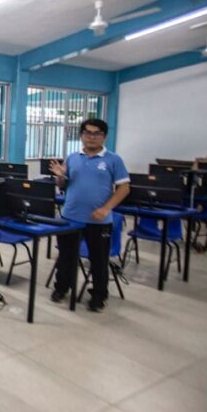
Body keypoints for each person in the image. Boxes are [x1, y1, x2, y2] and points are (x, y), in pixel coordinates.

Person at [49, 118, 129, 312]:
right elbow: (63, 185)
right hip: (70, 217)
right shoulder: (73, 157)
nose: (91, 137)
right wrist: (60, 176)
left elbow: (124, 188)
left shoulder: (113, 159)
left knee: (99, 260)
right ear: (81, 135)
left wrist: (106, 208)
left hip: (99, 220)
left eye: (97, 134)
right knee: (66, 257)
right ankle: (62, 288)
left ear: (104, 136)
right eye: (87, 133)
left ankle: (99, 295)